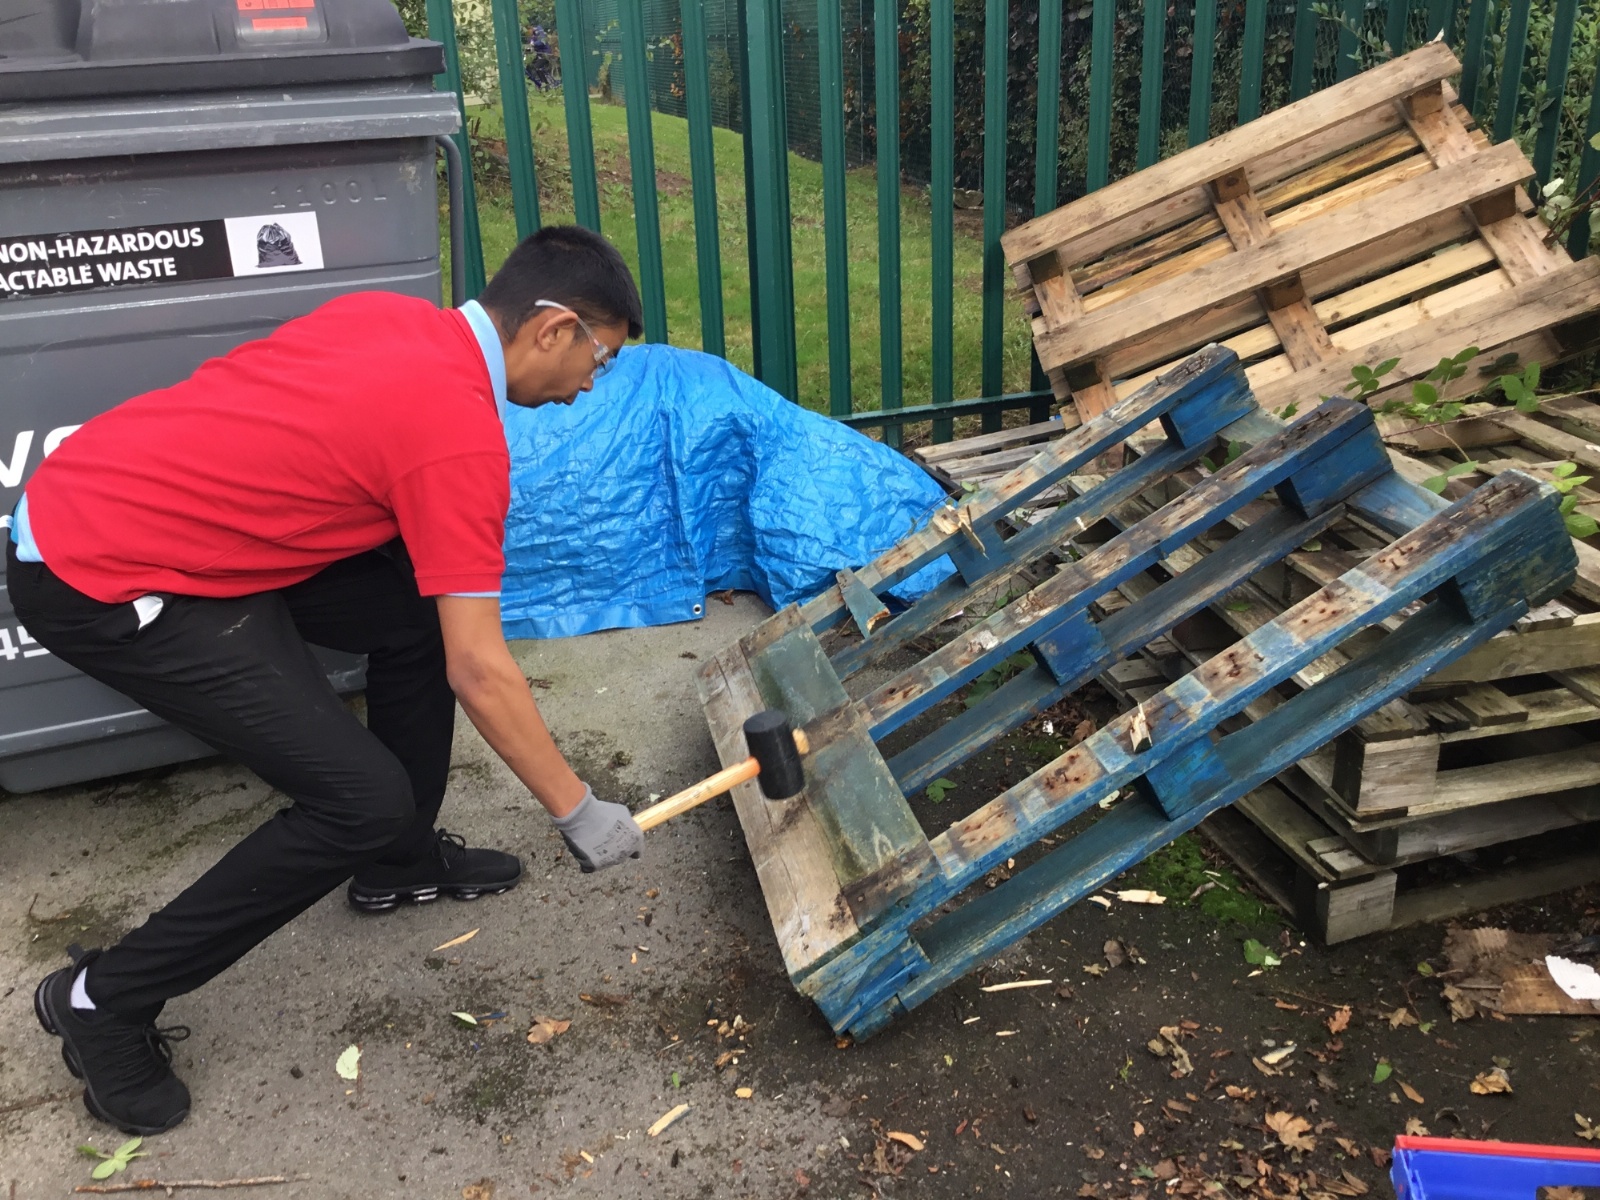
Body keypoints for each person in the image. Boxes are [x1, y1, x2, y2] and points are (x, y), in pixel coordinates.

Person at [12, 225, 649, 1136]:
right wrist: (576, 810)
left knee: (410, 618)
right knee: (359, 799)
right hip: (101, 571)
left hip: (152, 516)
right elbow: (480, 666)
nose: (592, 384)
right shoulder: (458, 437)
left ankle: (398, 862)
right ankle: (101, 1000)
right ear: (552, 329)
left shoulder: (399, 321)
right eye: (601, 358)